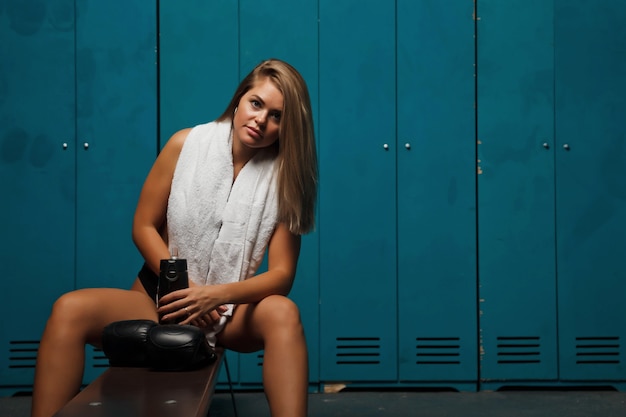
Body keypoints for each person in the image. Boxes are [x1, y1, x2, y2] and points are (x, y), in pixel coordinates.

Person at [30, 58, 318, 417]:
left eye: (277, 116)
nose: (261, 120)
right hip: (159, 300)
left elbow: (282, 276)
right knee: (68, 309)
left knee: (284, 313)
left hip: (227, 312)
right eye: (256, 104)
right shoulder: (186, 144)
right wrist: (185, 291)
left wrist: (212, 297)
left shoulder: (286, 180)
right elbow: (143, 227)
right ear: (240, 98)